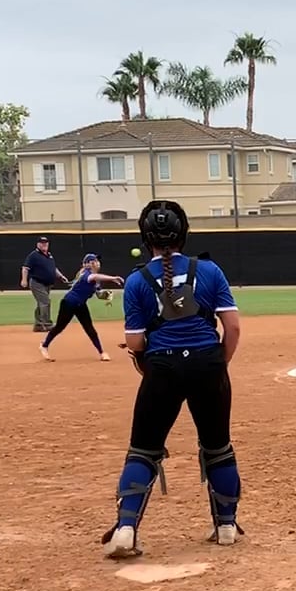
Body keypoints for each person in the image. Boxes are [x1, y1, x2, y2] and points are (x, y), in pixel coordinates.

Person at [102, 200, 246, 559]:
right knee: (217, 445)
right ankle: (226, 526)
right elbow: (232, 327)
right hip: (208, 363)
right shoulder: (209, 270)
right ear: (184, 234)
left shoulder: (137, 280)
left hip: (162, 367)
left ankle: (125, 530)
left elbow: (135, 342)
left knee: (144, 448)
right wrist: (219, 363)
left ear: (145, 237)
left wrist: (148, 354)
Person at [40, 253, 125, 362]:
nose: (97, 263)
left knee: (90, 329)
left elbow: (98, 293)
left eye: (97, 261)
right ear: (88, 264)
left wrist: (105, 296)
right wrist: (113, 278)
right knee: (59, 327)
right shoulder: (85, 273)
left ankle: (102, 352)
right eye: (94, 261)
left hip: (80, 304)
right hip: (69, 303)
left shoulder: (95, 278)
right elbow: (93, 277)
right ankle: (44, 345)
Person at [22, 236, 69, 333]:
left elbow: (53, 268)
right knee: (45, 302)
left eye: (46, 243)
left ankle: (38, 325)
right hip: (37, 282)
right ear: (38, 244)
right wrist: (24, 280)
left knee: (41, 303)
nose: (44, 244)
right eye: (42, 243)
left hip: (47, 284)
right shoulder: (34, 255)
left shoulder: (49, 255)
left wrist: (61, 276)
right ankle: (47, 324)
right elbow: (25, 268)